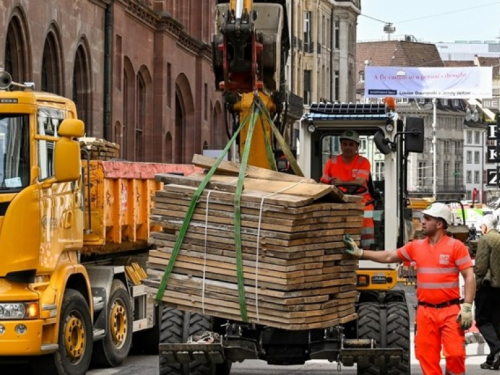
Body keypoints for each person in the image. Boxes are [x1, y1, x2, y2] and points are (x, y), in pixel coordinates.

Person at [344, 202, 475, 375]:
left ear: (439, 224)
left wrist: (466, 306)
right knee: (426, 356)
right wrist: (361, 253)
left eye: (427, 219)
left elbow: (469, 276)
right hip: (425, 311)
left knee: (456, 354)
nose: (423, 221)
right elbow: (389, 256)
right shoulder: (416, 246)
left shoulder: (455, 247)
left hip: (450, 311)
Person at [320, 130, 375, 249]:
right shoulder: (332, 163)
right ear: (341, 145)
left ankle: (367, 250)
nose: (348, 147)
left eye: (351, 144)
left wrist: (341, 182)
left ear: (357, 146)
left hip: (361, 202)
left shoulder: (363, 162)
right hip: (338, 201)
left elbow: (360, 181)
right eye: (345, 144)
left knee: (366, 218)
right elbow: (323, 184)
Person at [474, 214, 500, 370]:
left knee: (482, 320)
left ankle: (497, 350)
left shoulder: (485, 239)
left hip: (488, 286)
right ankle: (492, 359)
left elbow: (481, 266)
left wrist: (475, 285)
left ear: (484, 227)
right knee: (496, 322)